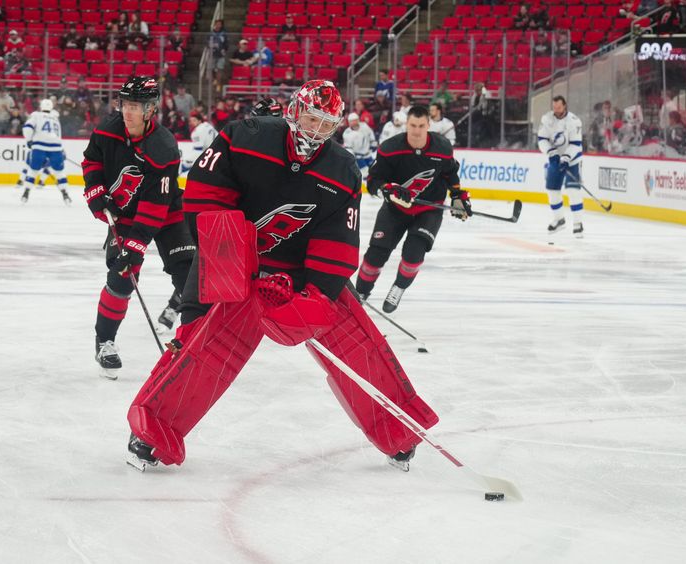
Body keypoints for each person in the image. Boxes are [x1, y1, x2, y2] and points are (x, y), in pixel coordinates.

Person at [125, 80, 439, 474]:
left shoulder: (341, 169)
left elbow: (337, 242)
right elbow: (204, 197)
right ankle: (152, 429)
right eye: (311, 118)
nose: (316, 131)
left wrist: (315, 295)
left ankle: (398, 430)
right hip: (231, 258)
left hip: (298, 272)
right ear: (294, 111)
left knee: (355, 341)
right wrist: (241, 266)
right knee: (196, 339)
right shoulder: (246, 136)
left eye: (327, 125)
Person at [81, 76, 195, 377]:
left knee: (188, 274)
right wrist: (95, 192)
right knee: (121, 278)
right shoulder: (108, 129)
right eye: (125, 104)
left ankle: (193, 343)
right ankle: (104, 342)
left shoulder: (164, 147)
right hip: (124, 215)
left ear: (150, 110)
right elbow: (91, 161)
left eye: (135, 106)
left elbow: (155, 205)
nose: (127, 111)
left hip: (167, 212)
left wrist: (136, 246)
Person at [354, 105, 469, 313]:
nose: (416, 131)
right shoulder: (390, 148)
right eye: (413, 125)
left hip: (428, 210)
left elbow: (451, 175)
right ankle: (360, 293)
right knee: (376, 254)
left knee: (413, 254)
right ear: (406, 124)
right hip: (395, 208)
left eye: (421, 126)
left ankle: (399, 287)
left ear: (429, 125)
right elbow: (373, 181)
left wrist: (458, 197)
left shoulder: (442, 148)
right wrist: (387, 189)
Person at [537, 95, 584, 237]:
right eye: (554, 107)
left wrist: (566, 158)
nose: (556, 110)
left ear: (565, 106)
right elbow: (542, 140)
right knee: (552, 190)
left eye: (559, 107)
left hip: (573, 160)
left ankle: (578, 223)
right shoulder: (547, 119)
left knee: (573, 191)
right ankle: (559, 219)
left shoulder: (574, 121)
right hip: (555, 159)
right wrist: (551, 152)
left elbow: (576, 145)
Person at [20, 98, 70, 204]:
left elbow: (27, 127)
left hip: (39, 146)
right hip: (56, 147)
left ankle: (26, 192)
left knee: (33, 170)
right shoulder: (56, 118)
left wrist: (29, 140)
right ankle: (65, 194)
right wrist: (61, 149)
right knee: (59, 172)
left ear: (41, 106)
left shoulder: (36, 115)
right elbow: (58, 136)